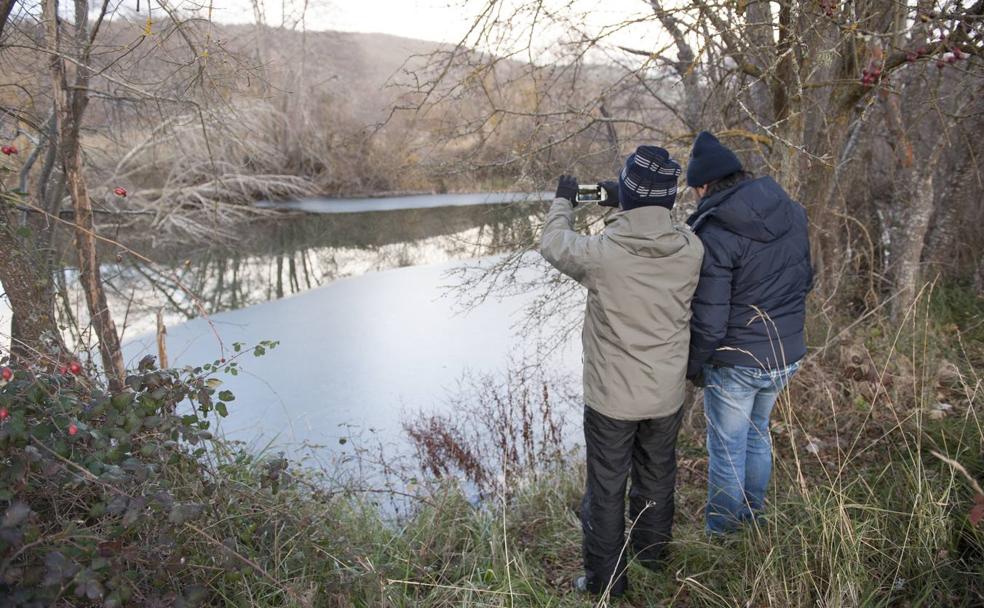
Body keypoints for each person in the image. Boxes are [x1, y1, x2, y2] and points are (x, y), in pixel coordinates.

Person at [540, 146, 703, 597]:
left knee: (607, 491)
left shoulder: (602, 255)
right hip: (666, 395)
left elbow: (552, 243)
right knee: (657, 477)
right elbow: (667, 221)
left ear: (629, 194)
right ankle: (651, 559)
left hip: (613, 399)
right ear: (669, 199)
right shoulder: (691, 248)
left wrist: (563, 202)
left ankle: (606, 584)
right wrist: (635, 204)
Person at [683, 131, 813, 535]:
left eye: (695, 190)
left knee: (726, 450)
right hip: (785, 353)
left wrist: (693, 367)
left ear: (705, 185)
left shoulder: (715, 232)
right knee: (758, 436)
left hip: (737, 359)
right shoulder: (791, 211)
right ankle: (753, 519)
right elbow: (807, 280)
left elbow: (709, 319)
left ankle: (723, 534)